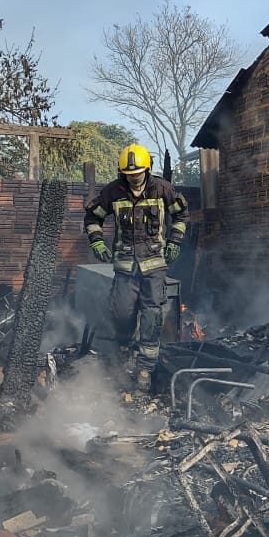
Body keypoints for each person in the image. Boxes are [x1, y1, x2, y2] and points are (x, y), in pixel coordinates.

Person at [83, 143, 189, 388]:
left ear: (147, 170)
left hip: (154, 265)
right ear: (122, 174)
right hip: (125, 265)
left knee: (152, 314)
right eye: (129, 175)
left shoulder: (162, 189)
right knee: (121, 312)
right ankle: (125, 349)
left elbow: (181, 215)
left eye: (138, 174)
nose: (134, 178)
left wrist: (175, 241)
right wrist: (97, 241)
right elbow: (92, 217)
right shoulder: (112, 192)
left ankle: (144, 371)